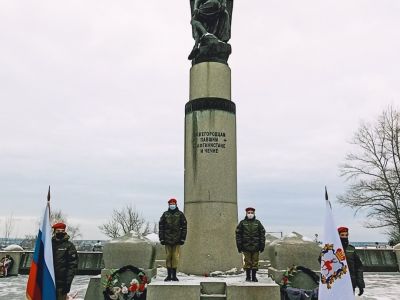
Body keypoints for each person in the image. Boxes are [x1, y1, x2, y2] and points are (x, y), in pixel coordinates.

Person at [158, 198, 187, 281]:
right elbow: (161, 227)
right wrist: (162, 238)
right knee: (168, 257)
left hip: (177, 240)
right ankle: (168, 275)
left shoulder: (180, 214)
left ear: (176, 204)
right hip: (167, 240)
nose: (172, 205)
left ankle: (174, 275)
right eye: (171, 204)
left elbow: (184, 227)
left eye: (173, 203)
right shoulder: (165, 214)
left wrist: (182, 238)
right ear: (169, 205)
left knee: (175, 258)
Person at [235, 207, 266, 282]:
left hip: (256, 246)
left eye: (251, 213)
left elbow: (262, 234)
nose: (250, 214)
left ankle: (254, 277)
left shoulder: (257, 223)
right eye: (248, 213)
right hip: (246, 246)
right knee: (247, 262)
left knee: (255, 262)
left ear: (254, 213)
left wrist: (262, 245)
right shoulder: (242, 223)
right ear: (246, 213)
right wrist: (239, 246)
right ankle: (248, 277)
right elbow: (238, 235)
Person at [52, 222, 78, 300]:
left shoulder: (69, 246)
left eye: (62, 231)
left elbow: (73, 266)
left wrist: (67, 283)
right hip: (49, 281)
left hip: (61, 284)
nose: (60, 233)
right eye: (58, 231)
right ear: (54, 232)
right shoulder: (49, 245)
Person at [338, 226, 365, 296]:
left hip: (350, 282)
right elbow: (322, 261)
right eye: (342, 235)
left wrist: (360, 284)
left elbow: (359, 267)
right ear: (338, 236)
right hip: (336, 283)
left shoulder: (351, 249)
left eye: (346, 235)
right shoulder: (332, 249)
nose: (344, 237)